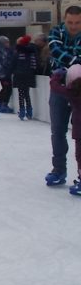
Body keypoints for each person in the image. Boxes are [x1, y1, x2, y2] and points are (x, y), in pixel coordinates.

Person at [45, 5, 81, 186]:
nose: (73, 26)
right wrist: (76, 60)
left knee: (80, 133)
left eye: (77, 23)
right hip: (58, 88)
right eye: (70, 22)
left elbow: (60, 56)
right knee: (57, 130)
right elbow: (54, 50)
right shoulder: (56, 31)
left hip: (79, 89)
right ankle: (58, 169)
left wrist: (65, 63)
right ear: (64, 20)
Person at [49, 64, 81, 196]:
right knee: (57, 131)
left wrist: (55, 77)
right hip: (67, 84)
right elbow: (56, 48)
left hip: (71, 83)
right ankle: (59, 169)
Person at [11, 35, 38, 121]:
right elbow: (35, 65)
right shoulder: (32, 52)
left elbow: (13, 64)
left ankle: (22, 111)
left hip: (20, 75)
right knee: (27, 93)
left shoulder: (18, 53)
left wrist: (12, 72)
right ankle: (29, 111)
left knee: (21, 93)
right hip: (29, 75)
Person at [0, 36, 15, 113]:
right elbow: (6, 62)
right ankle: (4, 105)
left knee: (4, 88)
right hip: (5, 73)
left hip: (0, 73)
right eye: (7, 42)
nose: (8, 44)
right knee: (8, 88)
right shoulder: (3, 51)